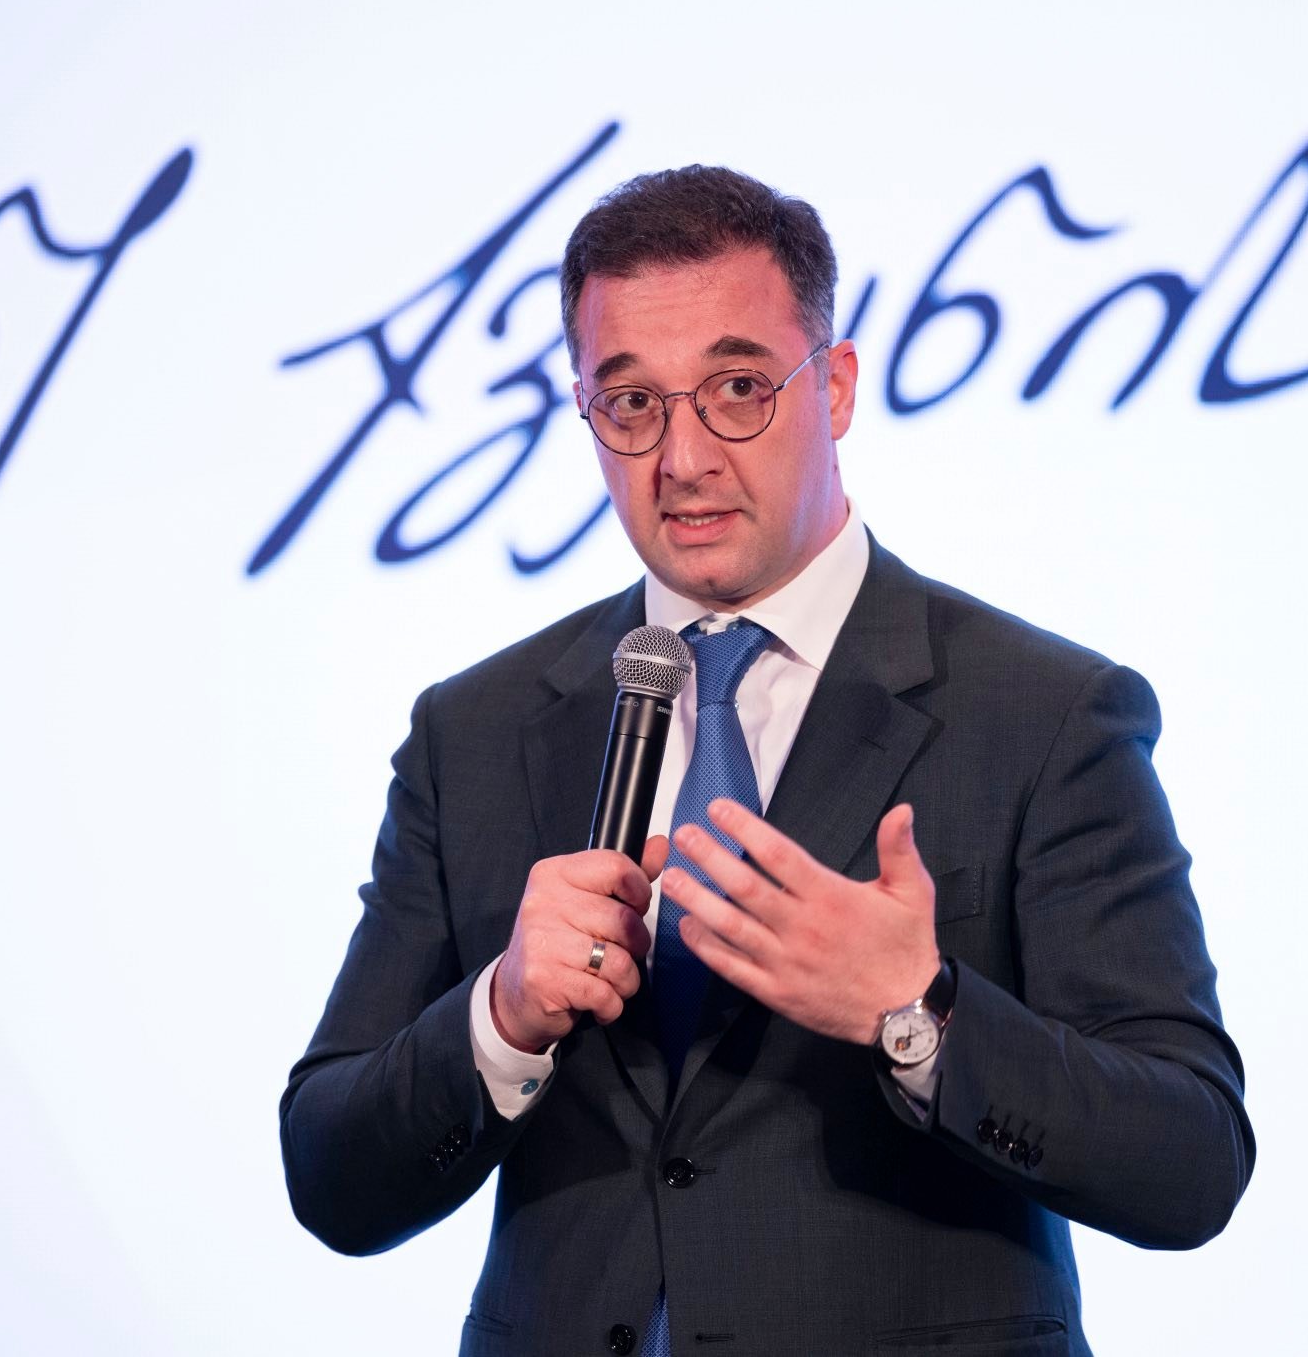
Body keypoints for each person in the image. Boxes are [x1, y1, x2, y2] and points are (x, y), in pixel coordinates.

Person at [280, 165, 1253, 1357]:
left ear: (832, 388)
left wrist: (916, 1011)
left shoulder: (1045, 712)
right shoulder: (472, 730)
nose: (681, 457)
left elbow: (1189, 1161)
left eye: (737, 389)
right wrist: (501, 1017)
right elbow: (330, 1175)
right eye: (629, 402)